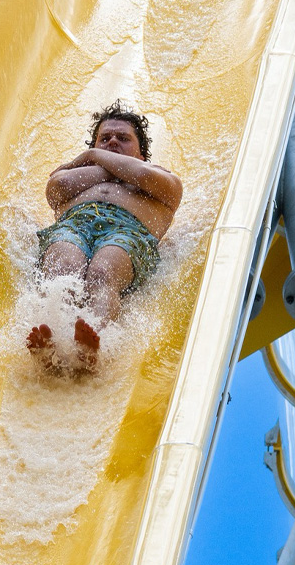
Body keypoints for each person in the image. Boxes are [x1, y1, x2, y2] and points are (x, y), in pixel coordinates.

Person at [26, 101, 183, 375]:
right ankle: (51, 344)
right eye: (104, 139)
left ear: (142, 153)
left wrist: (93, 156)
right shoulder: (75, 174)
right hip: (75, 224)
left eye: (123, 138)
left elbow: (143, 174)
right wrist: (108, 165)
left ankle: (89, 346)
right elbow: (57, 187)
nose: (112, 142)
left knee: (102, 272)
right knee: (64, 266)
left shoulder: (159, 176)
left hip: (128, 231)